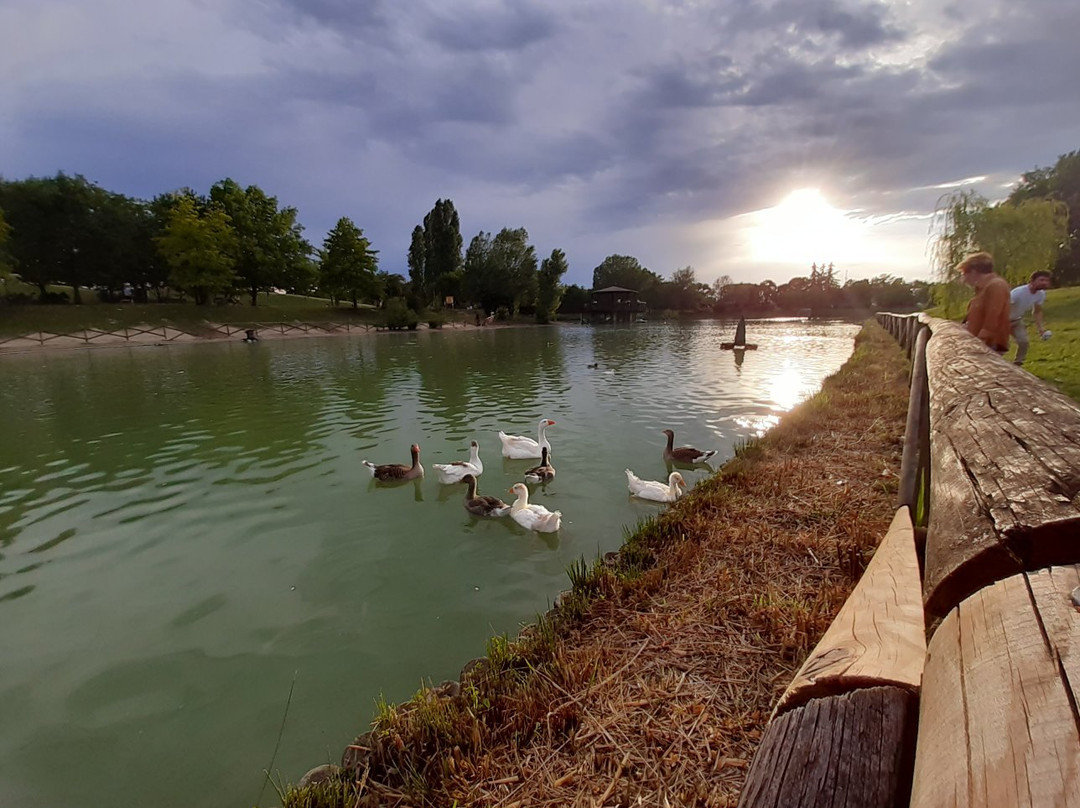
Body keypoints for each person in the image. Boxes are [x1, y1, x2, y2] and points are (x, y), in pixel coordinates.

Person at [958, 251, 1010, 354]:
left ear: (973, 272)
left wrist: (979, 343)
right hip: (982, 342)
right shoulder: (982, 288)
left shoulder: (996, 285)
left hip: (990, 344)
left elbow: (993, 317)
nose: (963, 279)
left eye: (964, 274)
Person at [1009, 270, 1052, 366]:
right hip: (1001, 321)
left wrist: (1041, 329)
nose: (1044, 283)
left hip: (1016, 320)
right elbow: (1003, 307)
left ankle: (1017, 365)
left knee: (1024, 342)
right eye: (1041, 280)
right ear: (1032, 281)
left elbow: (1037, 311)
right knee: (1002, 346)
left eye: (1046, 280)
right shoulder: (1018, 292)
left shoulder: (1041, 294)